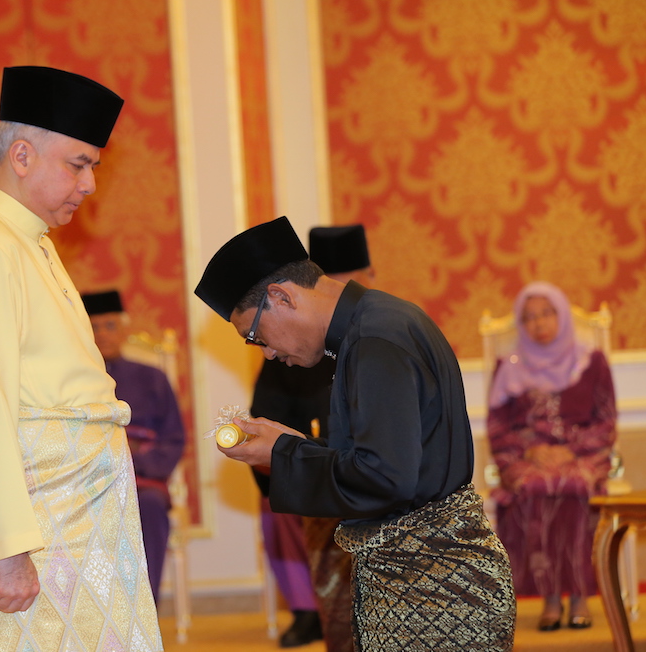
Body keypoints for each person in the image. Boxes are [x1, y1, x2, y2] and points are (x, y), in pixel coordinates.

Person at [194, 217, 515, 652]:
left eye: (255, 336)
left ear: (281, 296)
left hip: (432, 589)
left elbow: (385, 478)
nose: (268, 352)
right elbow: (389, 457)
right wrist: (299, 447)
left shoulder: (375, 339)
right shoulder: (377, 323)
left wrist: (286, 453)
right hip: (427, 578)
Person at [0, 66, 163, 652]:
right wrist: (9, 549)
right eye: (79, 164)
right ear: (21, 155)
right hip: (42, 528)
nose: (89, 185)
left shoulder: (30, 240)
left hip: (79, 513)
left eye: (93, 167)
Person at [249, 224, 373, 649]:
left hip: (374, 482)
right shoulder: (289, 344)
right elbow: (268, 416)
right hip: (320, 478)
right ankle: (308, 611)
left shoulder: (382, 334)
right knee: (280, 502)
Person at [487, 281, 617, 632]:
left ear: (561, 315)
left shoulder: (592, 362)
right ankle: (549, 597)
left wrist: (570, 450)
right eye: (528, 318)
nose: (539, 324)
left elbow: (606, 421)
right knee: (532, 485)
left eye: (546, 314)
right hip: (527, 458)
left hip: (583, 456)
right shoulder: (509, 366)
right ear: (520, 324)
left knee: (576, 483)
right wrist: (530, 450)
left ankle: (578, 594)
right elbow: (497, 428)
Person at [81, 289, 186, 604]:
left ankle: (143, 609)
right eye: (93, 327)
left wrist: (133, 461)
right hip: (88, 480)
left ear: (123, 327)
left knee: (150, 505)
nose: (102, 335)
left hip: (141, 478)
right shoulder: (73, 383)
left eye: (110, 326)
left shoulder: (152, 378)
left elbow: (173, 437)